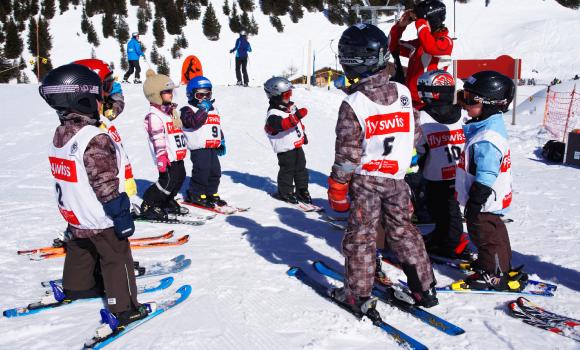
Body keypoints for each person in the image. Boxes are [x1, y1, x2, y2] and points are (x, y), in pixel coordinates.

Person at [327, 24, 438, 317]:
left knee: (361, 236)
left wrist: (337, 186)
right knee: (403, 231)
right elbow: (413, 132)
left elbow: (348, 154)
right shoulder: (402, 92)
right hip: (397, 180)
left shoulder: (354, 103)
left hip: (366, 180)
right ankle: (423, 288)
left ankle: (357, 295)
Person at [40, 63, 148, 329]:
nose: (103, 103)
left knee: (81, 249)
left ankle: (78, 287)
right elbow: (104, 180)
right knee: (116, 256)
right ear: (85, 99)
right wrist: (120, 212)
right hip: (99, 214)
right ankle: (125, 307)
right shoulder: (94, 138)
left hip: (75, 214)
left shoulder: (62, 134)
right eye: (99, 97)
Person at [454, 70, 526, 291]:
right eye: (463, 96)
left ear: (491, 103)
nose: (464, 104)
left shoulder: (486, 138)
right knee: (495, 232)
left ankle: (494, 274)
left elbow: (486, 173)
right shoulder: (489, 126)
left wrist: (476, 200)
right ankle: (500, 265)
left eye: (469, 99)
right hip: (491, 199)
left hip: (484, 198)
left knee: (485, 236)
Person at [415, 69, 476, 260]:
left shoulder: (421, 117)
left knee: (445, 209)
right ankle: (443, 235)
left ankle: (450, 242)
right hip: (460, 170)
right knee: (444, 208)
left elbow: (419, 147)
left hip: (436, 174)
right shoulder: (462, 114)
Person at [140, 69, 189, 219]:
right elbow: (158, 138)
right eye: (167, 91)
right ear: (156, 95)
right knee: (167, 181)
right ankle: (150, 203)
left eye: (171, 91)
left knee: (180, 177)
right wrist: (161, 156)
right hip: (166, 157)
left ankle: (167, 201)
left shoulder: (169, 112)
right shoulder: (154, 116)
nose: (171, 94)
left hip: (176, 155)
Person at [389, 0, 453, 109]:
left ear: (433, 20)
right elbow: (393, 46)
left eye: (423, 21)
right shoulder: (419, 44)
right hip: (409, 102)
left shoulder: (446, 42)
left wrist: (420, 20)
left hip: (430, 105)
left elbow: (430, 48)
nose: (417, 24)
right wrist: (400, 27)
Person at [180, 76, 227, 208]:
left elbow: (216, 126)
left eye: (208, 94)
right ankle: (196, 193)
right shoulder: (187, 109)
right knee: (202, 170)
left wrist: (221, 140)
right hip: (199, 147)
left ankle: (211, 192)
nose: (205, 98)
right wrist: (203, 110)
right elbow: (193, 122)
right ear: (191, 95)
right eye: (200, 95)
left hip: (211, 146)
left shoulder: (213, 109)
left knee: (215, 171)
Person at [263, 76, 311, 205]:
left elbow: (297, 124)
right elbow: (280, 125)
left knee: (301, 168)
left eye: (291, 93)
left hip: (296, 145)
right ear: (276, 95)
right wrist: (296, 117)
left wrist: (303, 135)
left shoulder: (290, 106)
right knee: (287, 169)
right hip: (285, 148)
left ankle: (302, 190)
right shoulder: (273, 113)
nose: (289, 96)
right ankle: (285, 192)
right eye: (287, 94)